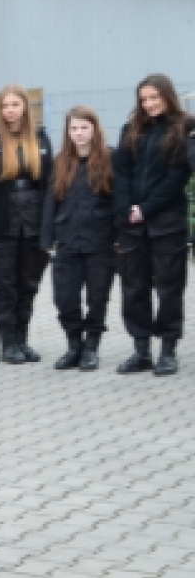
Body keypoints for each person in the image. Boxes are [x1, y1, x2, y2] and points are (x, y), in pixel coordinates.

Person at [112, 74, 193, 376]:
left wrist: (145, 208)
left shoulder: (184, 128)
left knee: (170, 288)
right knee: (134, 288)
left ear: (167, 96)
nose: (148, 104)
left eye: (154, 98)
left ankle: (168, 351)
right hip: (131, 224)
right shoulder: (130, 130)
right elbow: (120, 173)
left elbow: (178, 176)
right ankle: (141, 350)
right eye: (144, 99)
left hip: (167, 222)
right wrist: (125, 209)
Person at [0, 86, 53, 364]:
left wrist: (50, 229)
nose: (10, 110)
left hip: (33, 222)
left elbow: (50, 186)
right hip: (3, 224)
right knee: (6, 286)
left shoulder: (40, 138)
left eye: (15, 104)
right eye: (5, 105)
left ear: (24, 107)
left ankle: (22, 341)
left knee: (28, 285)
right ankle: (8, 344)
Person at [42, 107, 116, 371]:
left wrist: (119, 237)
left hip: (100, 241)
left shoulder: (110, 159)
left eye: (84, 127)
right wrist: (46, 238)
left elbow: (118, 201)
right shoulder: (61, 162)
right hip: (67, 240)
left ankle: (91, 347)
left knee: (97, 297)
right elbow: (51, 202)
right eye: (74, 128)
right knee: (65, 298)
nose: (79, 133)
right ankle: (74, 346)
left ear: (94, 129)